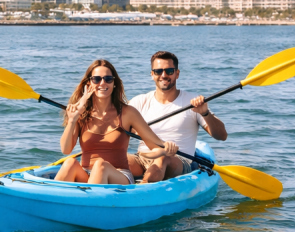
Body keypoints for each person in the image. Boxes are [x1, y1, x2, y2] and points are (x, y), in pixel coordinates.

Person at [55, 59, 179, 185]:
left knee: (100, 166)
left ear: (114, 83)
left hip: (119, 176)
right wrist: (72, 120)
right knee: (69, 163)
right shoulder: (81, 114)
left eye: (108, 79)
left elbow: (156, 146)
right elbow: (66, 150)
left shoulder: (128, 113)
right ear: (89, 84)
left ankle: (90, 202)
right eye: (97, 79)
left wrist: (165, 149)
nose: (102, 83)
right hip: (87, 174)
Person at [127, 51, 228, 183]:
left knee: (162, 159)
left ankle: (141, 191)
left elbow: (222, 136)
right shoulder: (139, 102)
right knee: (113, 159)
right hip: (143, 157)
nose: (163, 75)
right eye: (158, 71)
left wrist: (205, 113)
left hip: (177, 160)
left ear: (177, 73)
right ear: (152, 74)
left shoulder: (192, 101)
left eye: (169, 71)